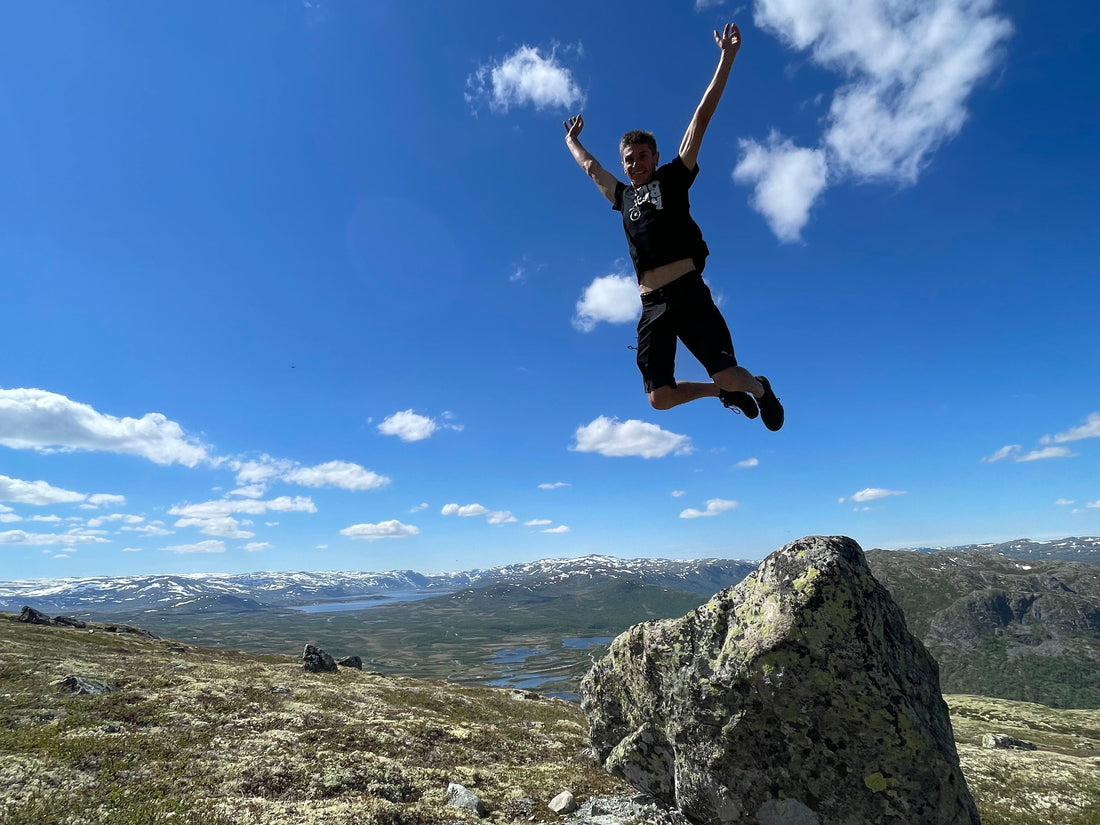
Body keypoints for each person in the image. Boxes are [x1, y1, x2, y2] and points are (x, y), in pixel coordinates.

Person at [563, 22, 783, 431]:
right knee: (659, 398)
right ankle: (722, 394)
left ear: (655, 156)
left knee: (731, 372)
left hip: (688, 292)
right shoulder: (622, 197)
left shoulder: (672, 176)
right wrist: (571, 143)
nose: (634, 164)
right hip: (651, 303)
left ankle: (758, 388)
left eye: (642, 156)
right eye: (628, 159)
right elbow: (592, 169)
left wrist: (727, 58)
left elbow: (701, 117)